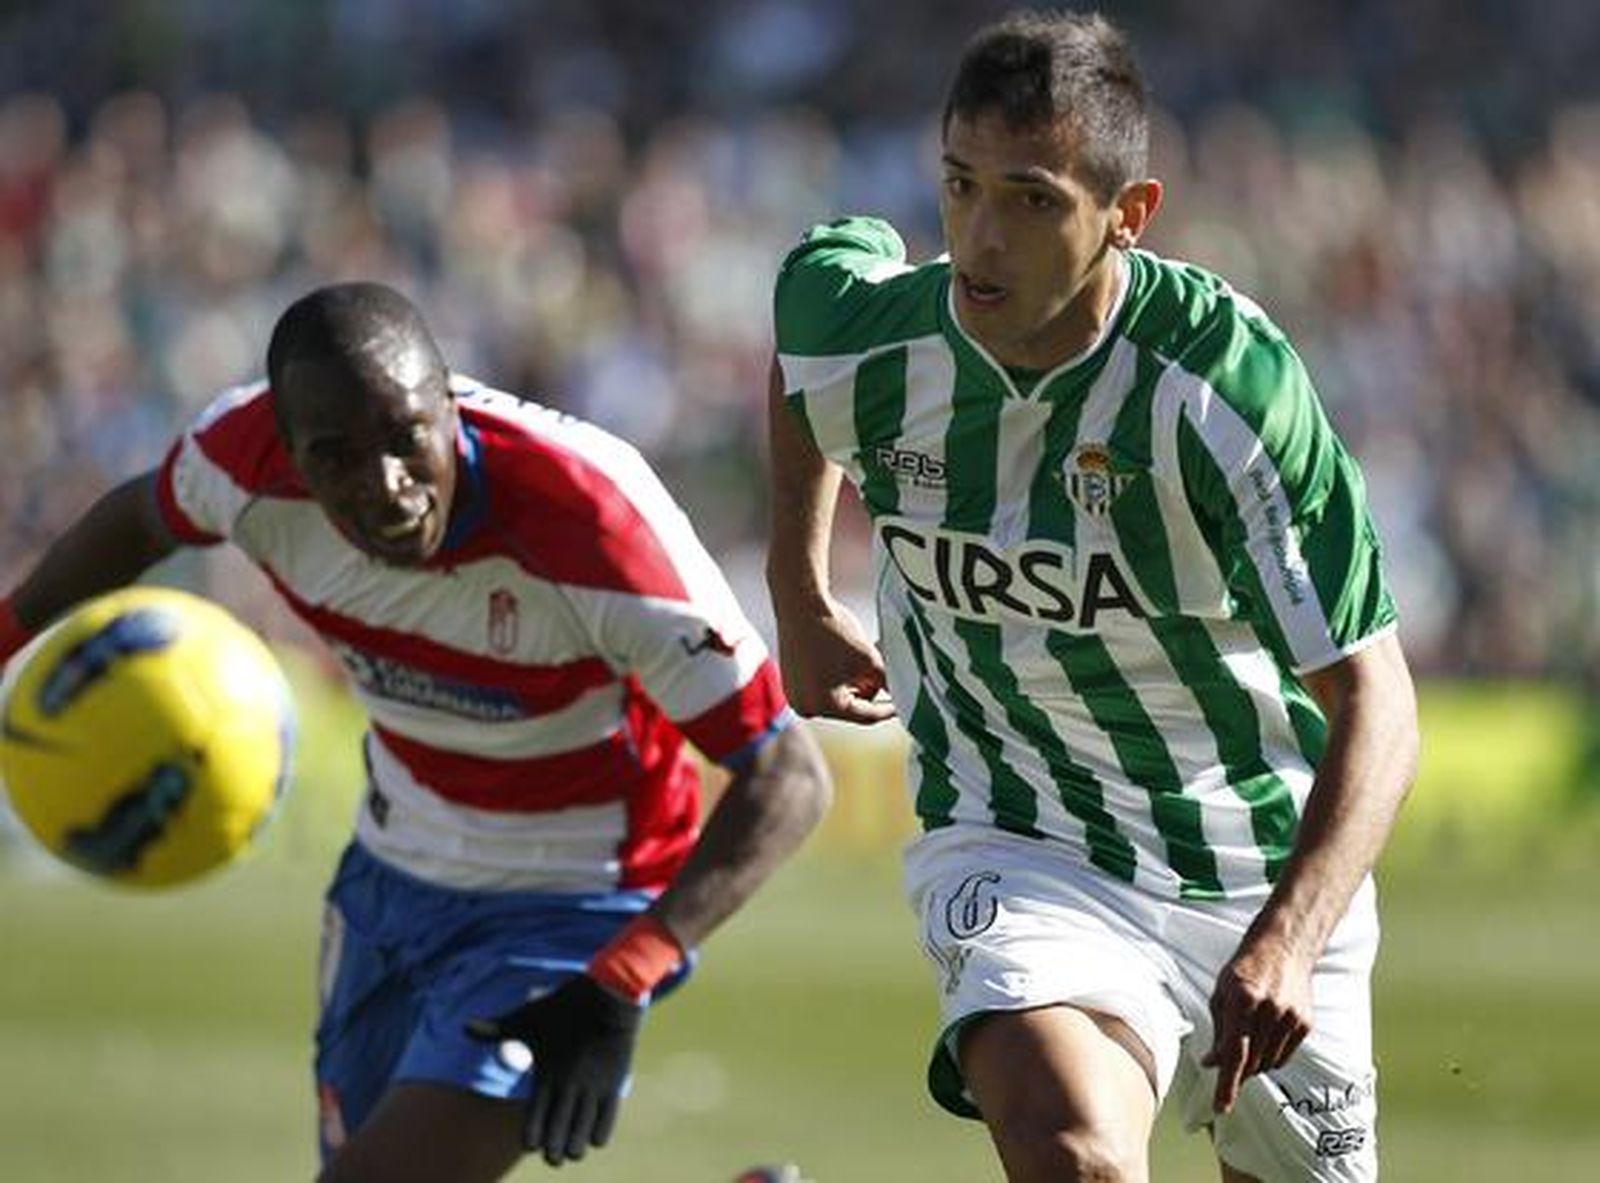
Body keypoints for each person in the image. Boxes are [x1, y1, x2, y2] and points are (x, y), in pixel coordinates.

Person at [766, 11, 1418, 1183]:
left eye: (1029, 199)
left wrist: (1290, 935)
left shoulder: (1224, 389)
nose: (976, 237)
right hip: (1020, 839)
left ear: (1128, 214)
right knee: (1074, 1152)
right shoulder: (874, 341)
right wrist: (797, 591)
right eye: (958, 185)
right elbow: (798, 354)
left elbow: (1376, 698)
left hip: (1255, 867)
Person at [0, 281, 832, 1182]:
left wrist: (628, 969)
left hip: (574, 901)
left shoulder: (596, 527)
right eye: (339, 457)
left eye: (407, 438)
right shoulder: (240, 464)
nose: (387, 485)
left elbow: (788, 777)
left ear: (452, 405)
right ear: (288, 455)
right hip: (389, 878)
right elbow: (136, 518)